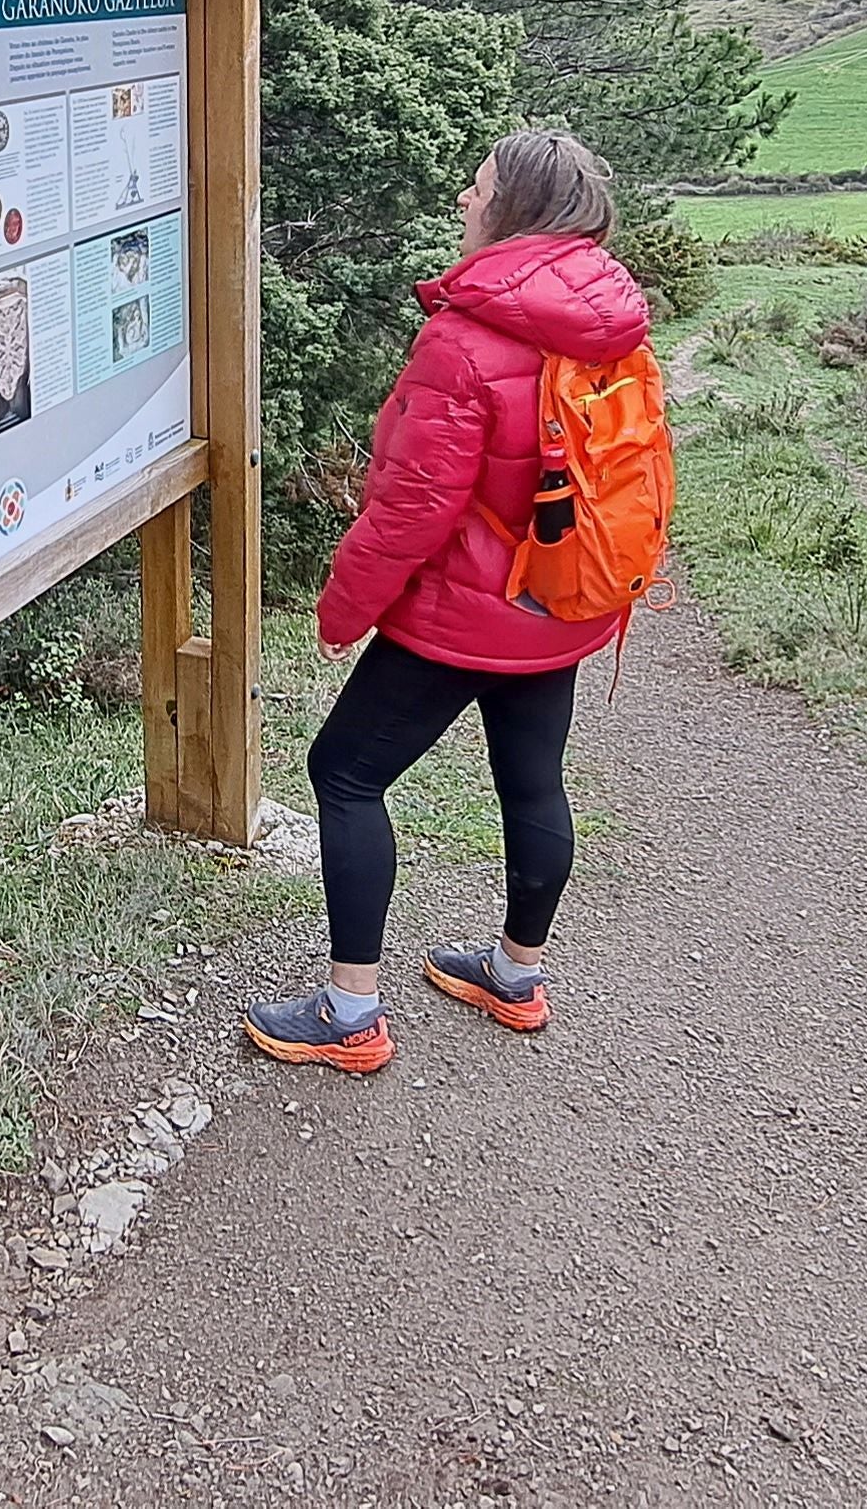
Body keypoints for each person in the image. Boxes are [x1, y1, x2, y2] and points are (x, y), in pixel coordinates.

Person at [244, 127, 650, 1076]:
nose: (465, 203)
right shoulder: (614, 322)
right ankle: (515, 975)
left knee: (344, 772)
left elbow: (411, 507)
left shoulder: (465, 339)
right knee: (533, 778)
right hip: (563, 601)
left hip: (463, 611)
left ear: (515, 211)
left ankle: (350, 1012)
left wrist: (343, 609)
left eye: (477, 189)